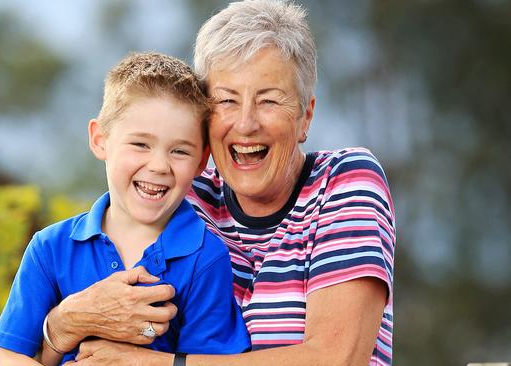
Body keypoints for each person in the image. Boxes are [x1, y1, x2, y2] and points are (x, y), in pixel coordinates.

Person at [49, 1, 396, 365]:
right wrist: (64, 323)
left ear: (305, 116)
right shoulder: (184, 193)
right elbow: (95, 311)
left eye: (268, 101)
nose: (246, 124)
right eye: (227, 100)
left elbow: (337, 359)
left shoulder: (344, 182)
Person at [0, 52, 250, 366]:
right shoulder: (50, 248)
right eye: (140, 144)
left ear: (201, 161)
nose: (158, 165)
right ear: (100, 140)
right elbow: (6, 356)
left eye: (179, 150)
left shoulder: (206, 259)